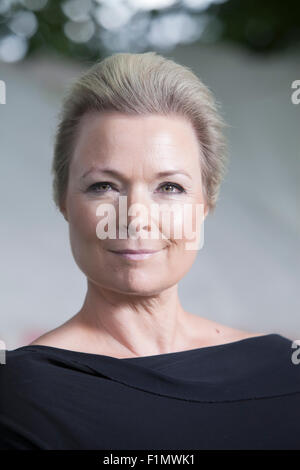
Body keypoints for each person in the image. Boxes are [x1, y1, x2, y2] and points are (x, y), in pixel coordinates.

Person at [1, 52, 300, 450]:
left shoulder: (283, 369)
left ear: (206, 205)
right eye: (103, 186)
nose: (137, 217)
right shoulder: (16, 395)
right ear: (64, 202)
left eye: (170, 187)